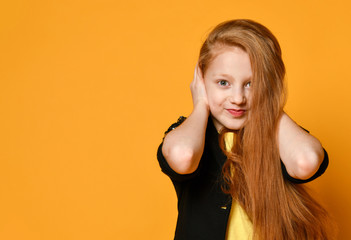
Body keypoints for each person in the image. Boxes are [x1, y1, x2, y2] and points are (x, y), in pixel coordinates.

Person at [157, 19, 335, 240]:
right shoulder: (190, 134)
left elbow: (305, 161)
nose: (238, 98)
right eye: (223, 83)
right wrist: (201, 104)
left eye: (251, 84)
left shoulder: (281, 137)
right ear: (201, 80)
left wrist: (269, 101)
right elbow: (182, 156)